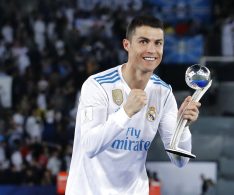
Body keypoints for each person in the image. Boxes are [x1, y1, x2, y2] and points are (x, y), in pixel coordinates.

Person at [66, 15, 201, 195]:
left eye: (158, 43)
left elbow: (180, 160)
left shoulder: (163, 93)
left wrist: (183, 125)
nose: (151, 50)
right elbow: (90, 146)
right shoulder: (97, 85)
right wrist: (126, 112)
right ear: (127, 45)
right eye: (143, 42)